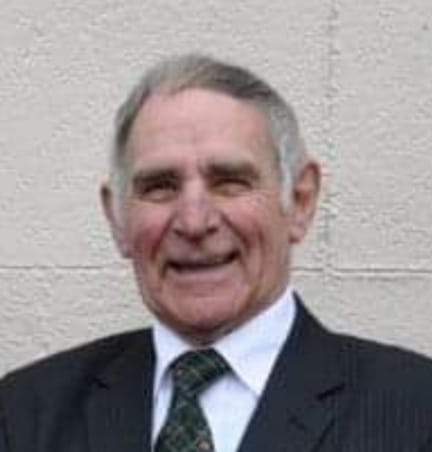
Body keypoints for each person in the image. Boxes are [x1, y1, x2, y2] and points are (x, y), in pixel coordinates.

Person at [1, 54, 432, 452]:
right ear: (117, 218)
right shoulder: (25, 415)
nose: (194, 222)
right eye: (160, 186)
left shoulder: (414, 414)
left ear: (300, 202)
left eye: (230, 182)